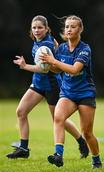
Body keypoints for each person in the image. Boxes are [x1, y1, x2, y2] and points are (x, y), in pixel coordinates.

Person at [6, 15, 89, 159]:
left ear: (46, 29)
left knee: (58, 119)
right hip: (38, 84)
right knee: (21, 111)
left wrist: (25, 66)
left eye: (40, 28)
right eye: (34, 27)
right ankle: (24, 149)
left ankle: (81, 141)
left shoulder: (46, 45)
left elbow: (43, 69)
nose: (37, 30)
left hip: (51, 85)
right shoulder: (39, 41)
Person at [40, 15, 102, 169]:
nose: (69, 29)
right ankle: (58, 155)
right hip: (67, 93)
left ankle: (96, 160)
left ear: (80, 29)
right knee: (58, 117)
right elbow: (56, 69)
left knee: (87, 133)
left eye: (73, 26)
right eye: (67, 26)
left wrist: (54, 61)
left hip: (85, 93)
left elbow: (74, 70)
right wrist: (46, 63)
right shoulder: (61, 48)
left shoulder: (84, 49)